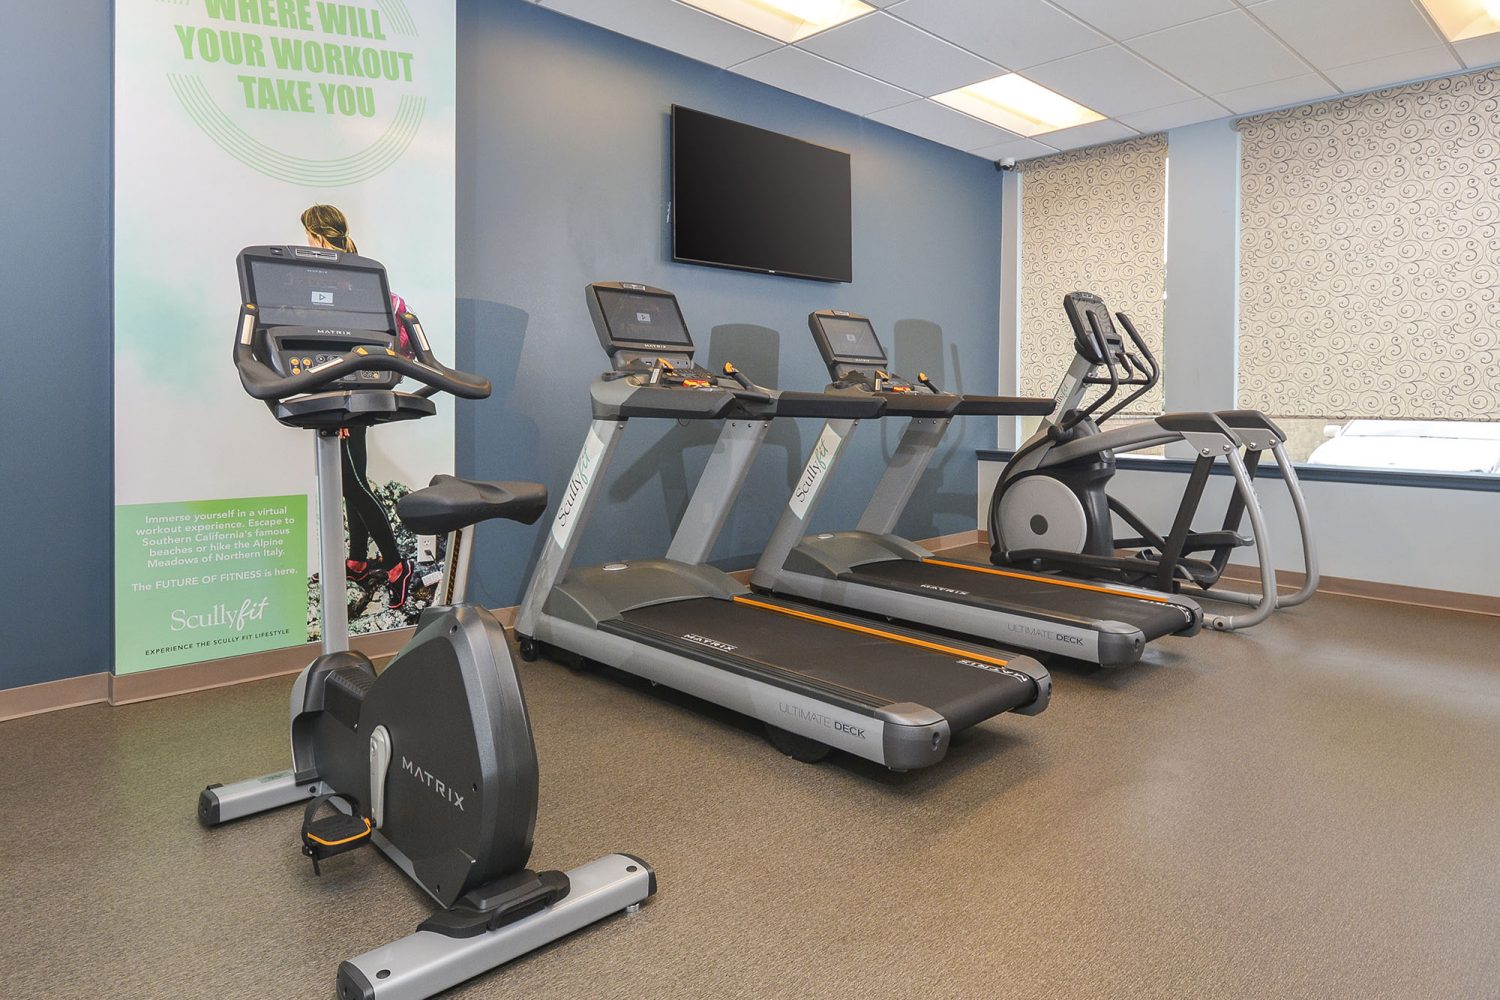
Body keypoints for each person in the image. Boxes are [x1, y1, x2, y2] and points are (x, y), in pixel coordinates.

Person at [301, 204, 417, 608]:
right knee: (355, 477)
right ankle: (357, 560)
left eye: (307, 234)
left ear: (317, 236)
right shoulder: (357, 271)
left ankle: (397, 565)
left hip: (348, 392)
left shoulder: (334, 277)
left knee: (352, 483)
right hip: (360, 387)